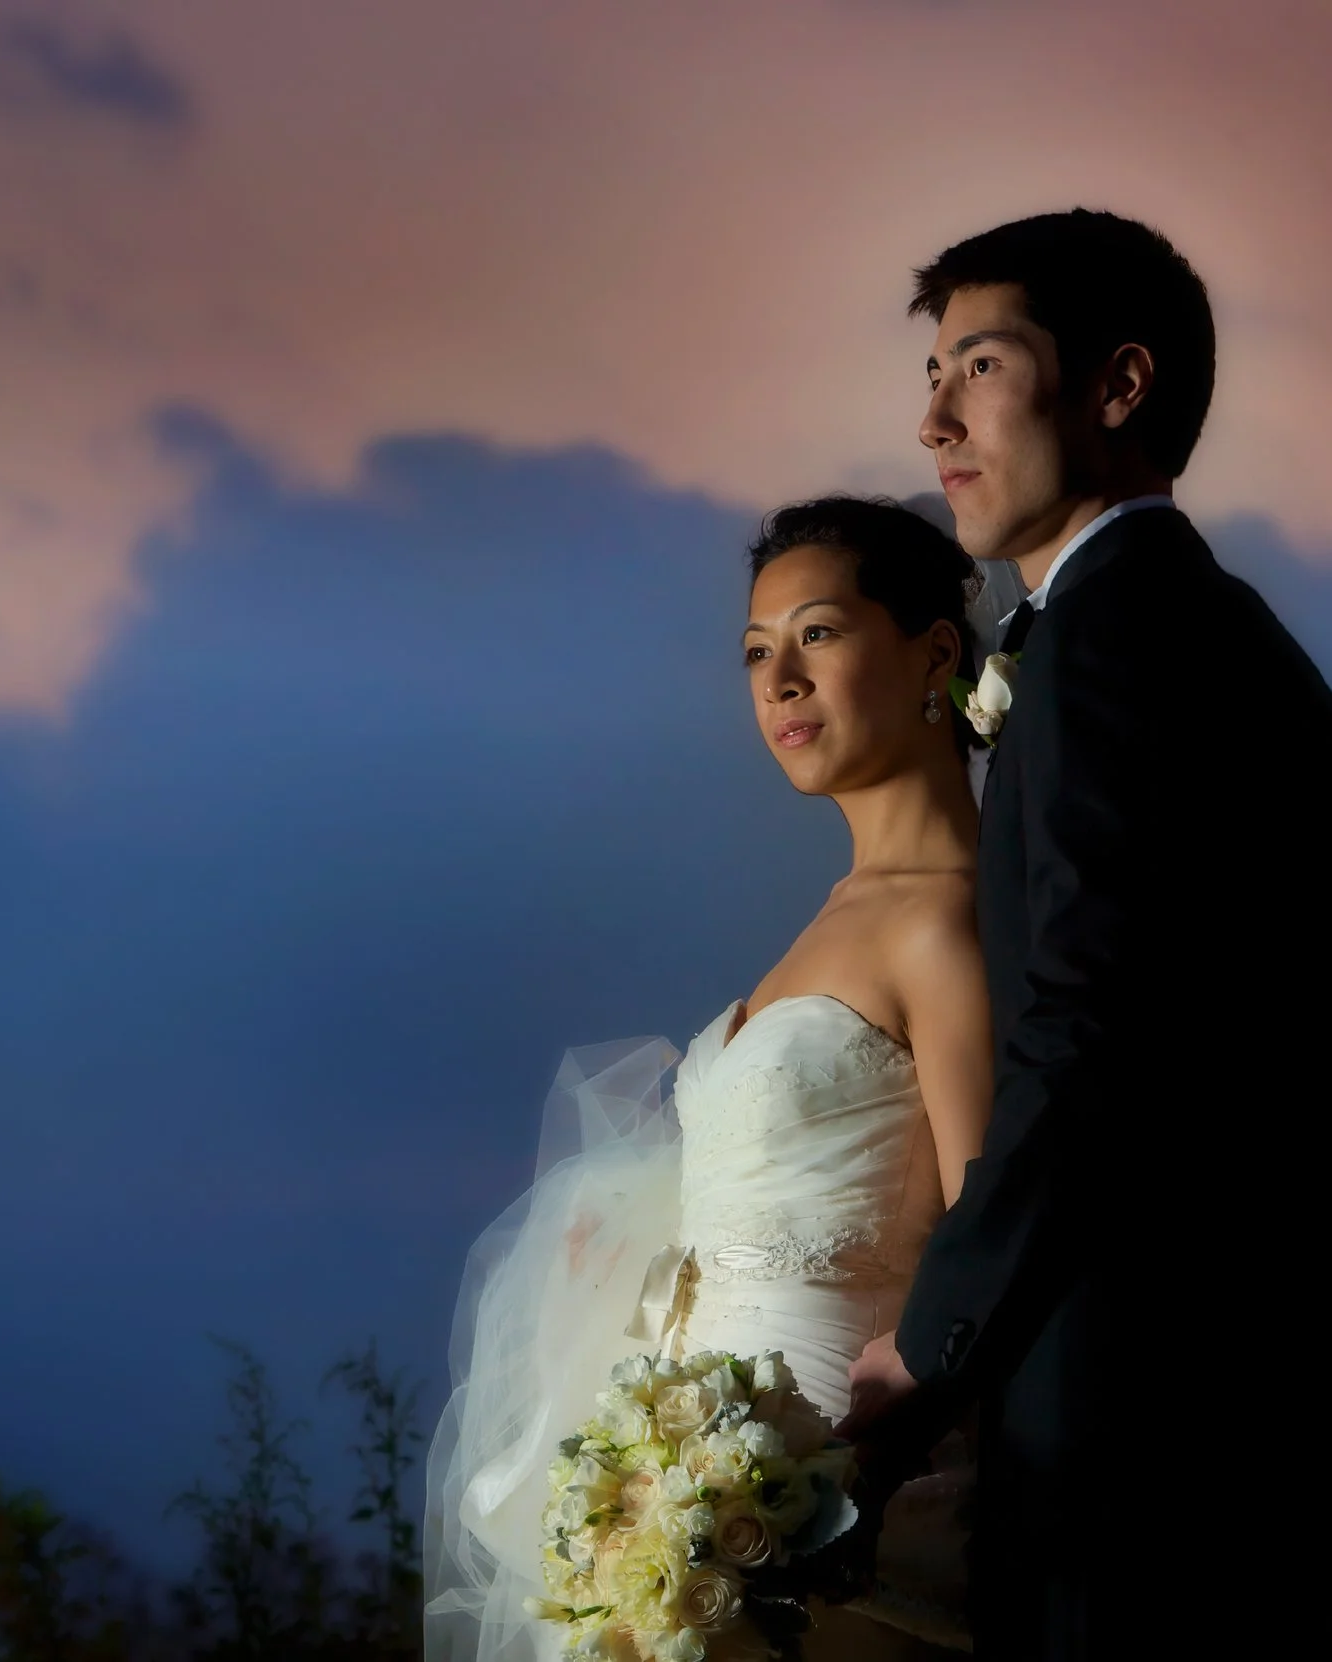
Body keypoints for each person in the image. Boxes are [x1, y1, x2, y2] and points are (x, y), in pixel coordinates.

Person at [836, 209, 1332, 1657]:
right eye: (933, 371)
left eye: (979, 365)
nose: (932, 418)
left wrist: (929, 1347)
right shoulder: (1236, 641)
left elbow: (1088, 1033)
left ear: (1118, 384)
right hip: (1271, 1433)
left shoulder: (1107, 646)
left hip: (1132, 1443)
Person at [426, 496, 995, 1660]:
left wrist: (864, 1457)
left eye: (819, 635)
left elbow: (992, 1220)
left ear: (936, 652)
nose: (777, 680)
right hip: (684, 1481)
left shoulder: (948, 919)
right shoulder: (838, 916)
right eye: (753, 651)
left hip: (831, 1483)